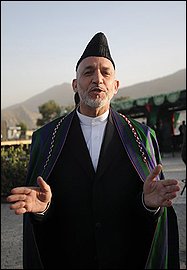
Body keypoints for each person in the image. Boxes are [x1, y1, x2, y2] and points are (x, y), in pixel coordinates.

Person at [7, 32, 180, 269]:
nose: (97, 78)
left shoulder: (142, 137)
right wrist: (43, 208)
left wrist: (148, 204)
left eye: (105, 72)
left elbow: (151, 213)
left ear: (116, 86)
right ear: (75, 85)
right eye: (88, 72)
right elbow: (41, 212)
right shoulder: (46, 138)